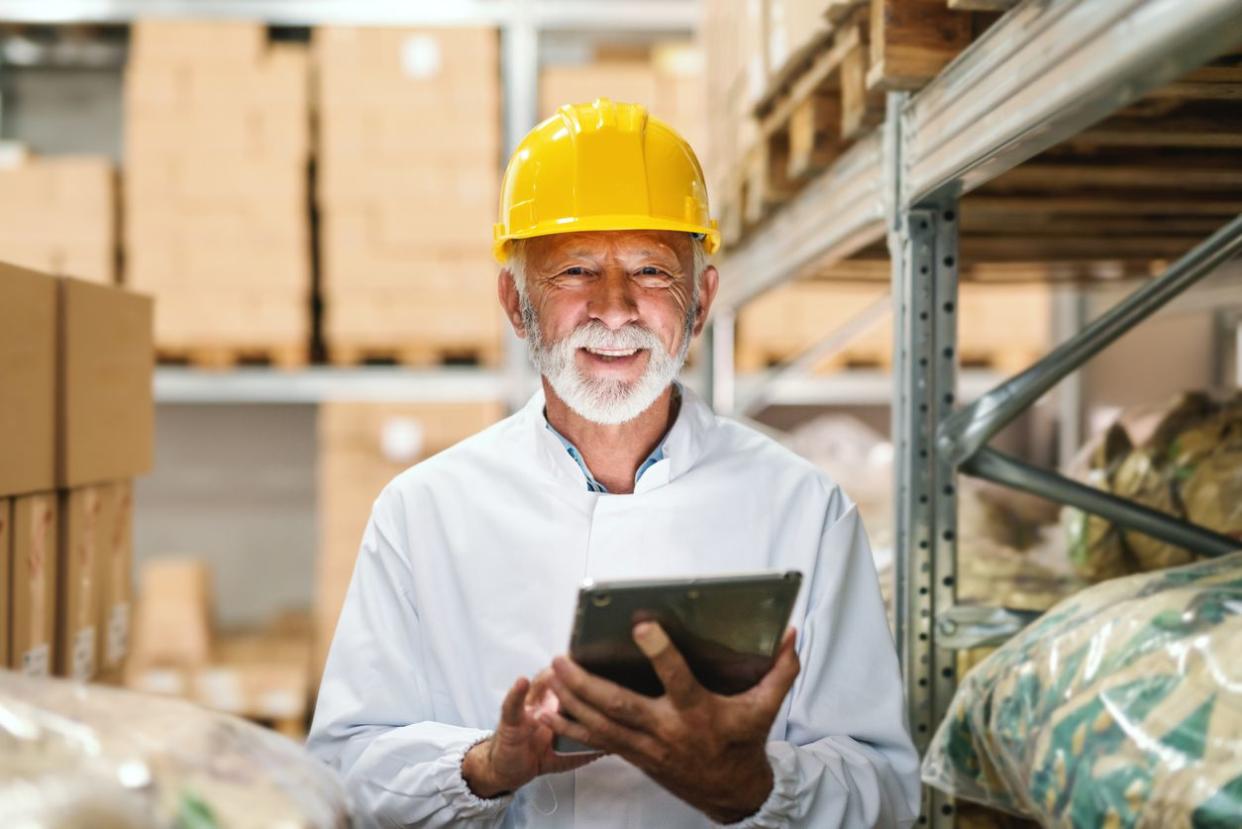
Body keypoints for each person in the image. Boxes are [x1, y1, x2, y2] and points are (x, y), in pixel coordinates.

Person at [308, 98, 920, 828]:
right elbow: (343, 769)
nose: (616, 307)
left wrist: (753, 783)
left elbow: (886, 788)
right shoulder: (422, 512)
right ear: (514, 300)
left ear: (700, 302)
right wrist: (484, 765)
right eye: (573, 270)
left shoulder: (804, 508)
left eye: (652, 271)